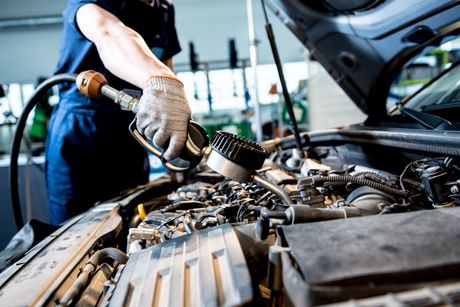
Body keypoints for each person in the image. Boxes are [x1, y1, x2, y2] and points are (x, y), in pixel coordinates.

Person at [46, 0, 190, 225]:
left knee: (132, 219)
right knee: (71, 230)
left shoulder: (164, 9)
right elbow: (109, 33)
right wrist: (162, 82)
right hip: (80, 130)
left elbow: (165, 65)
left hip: (129, 131)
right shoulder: (92, 3)